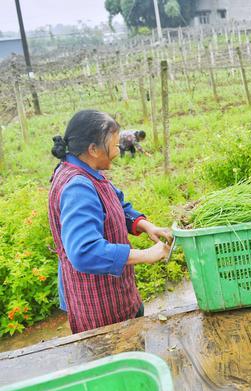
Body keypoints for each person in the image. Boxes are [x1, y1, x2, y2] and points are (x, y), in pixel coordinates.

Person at [49, 110, 172, 333]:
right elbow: (85, 251)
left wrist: (145, 225)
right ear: (93, 149)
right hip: (99, 306)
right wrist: (146, 255)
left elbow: (115, 203)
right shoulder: (78, 186)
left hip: (117, 292)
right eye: (114, 146)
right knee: (117, 357)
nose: (118, 150)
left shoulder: (85, 169)